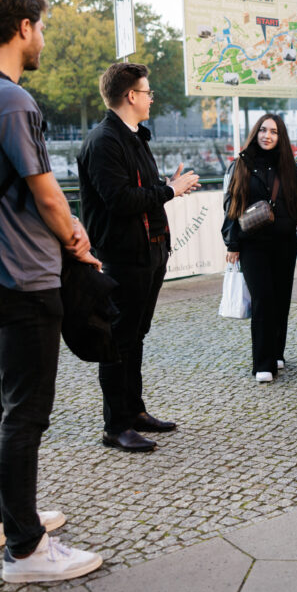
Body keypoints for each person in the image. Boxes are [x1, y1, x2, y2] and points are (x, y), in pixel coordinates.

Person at [0, 0, 102, 582]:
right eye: (41, 27)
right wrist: (77, 236)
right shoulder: (13, 102)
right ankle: (26, 549)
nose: (43, 38)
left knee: (0, 399)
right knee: (26, 413)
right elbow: (47, 194)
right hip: (26, 274)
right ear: (22, 27)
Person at [79, 62, 200, 452]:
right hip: (122, 256)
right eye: (148, 92)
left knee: (135, 336)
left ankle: (134, 410)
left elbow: (141, 191)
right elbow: (119, 200)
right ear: (131, 96)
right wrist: (170, 191)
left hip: (149, 252)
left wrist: (167, 186)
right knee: (117, 340)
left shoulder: (133, 137)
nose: (151, 99)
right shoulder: (103, 141)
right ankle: (115, 426)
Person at [223, 114, 297, 381]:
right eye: (263, 130)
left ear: (280, 136)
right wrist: (232, 242)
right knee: (262, 299)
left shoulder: (290, 168)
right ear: (255, 133)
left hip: (284, 242)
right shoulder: (241, 165)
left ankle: (277, 352)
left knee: (281, 298)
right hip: (253, 244)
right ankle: (263, 363)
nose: (267, 136)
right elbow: (231, 205)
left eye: (273, 131)